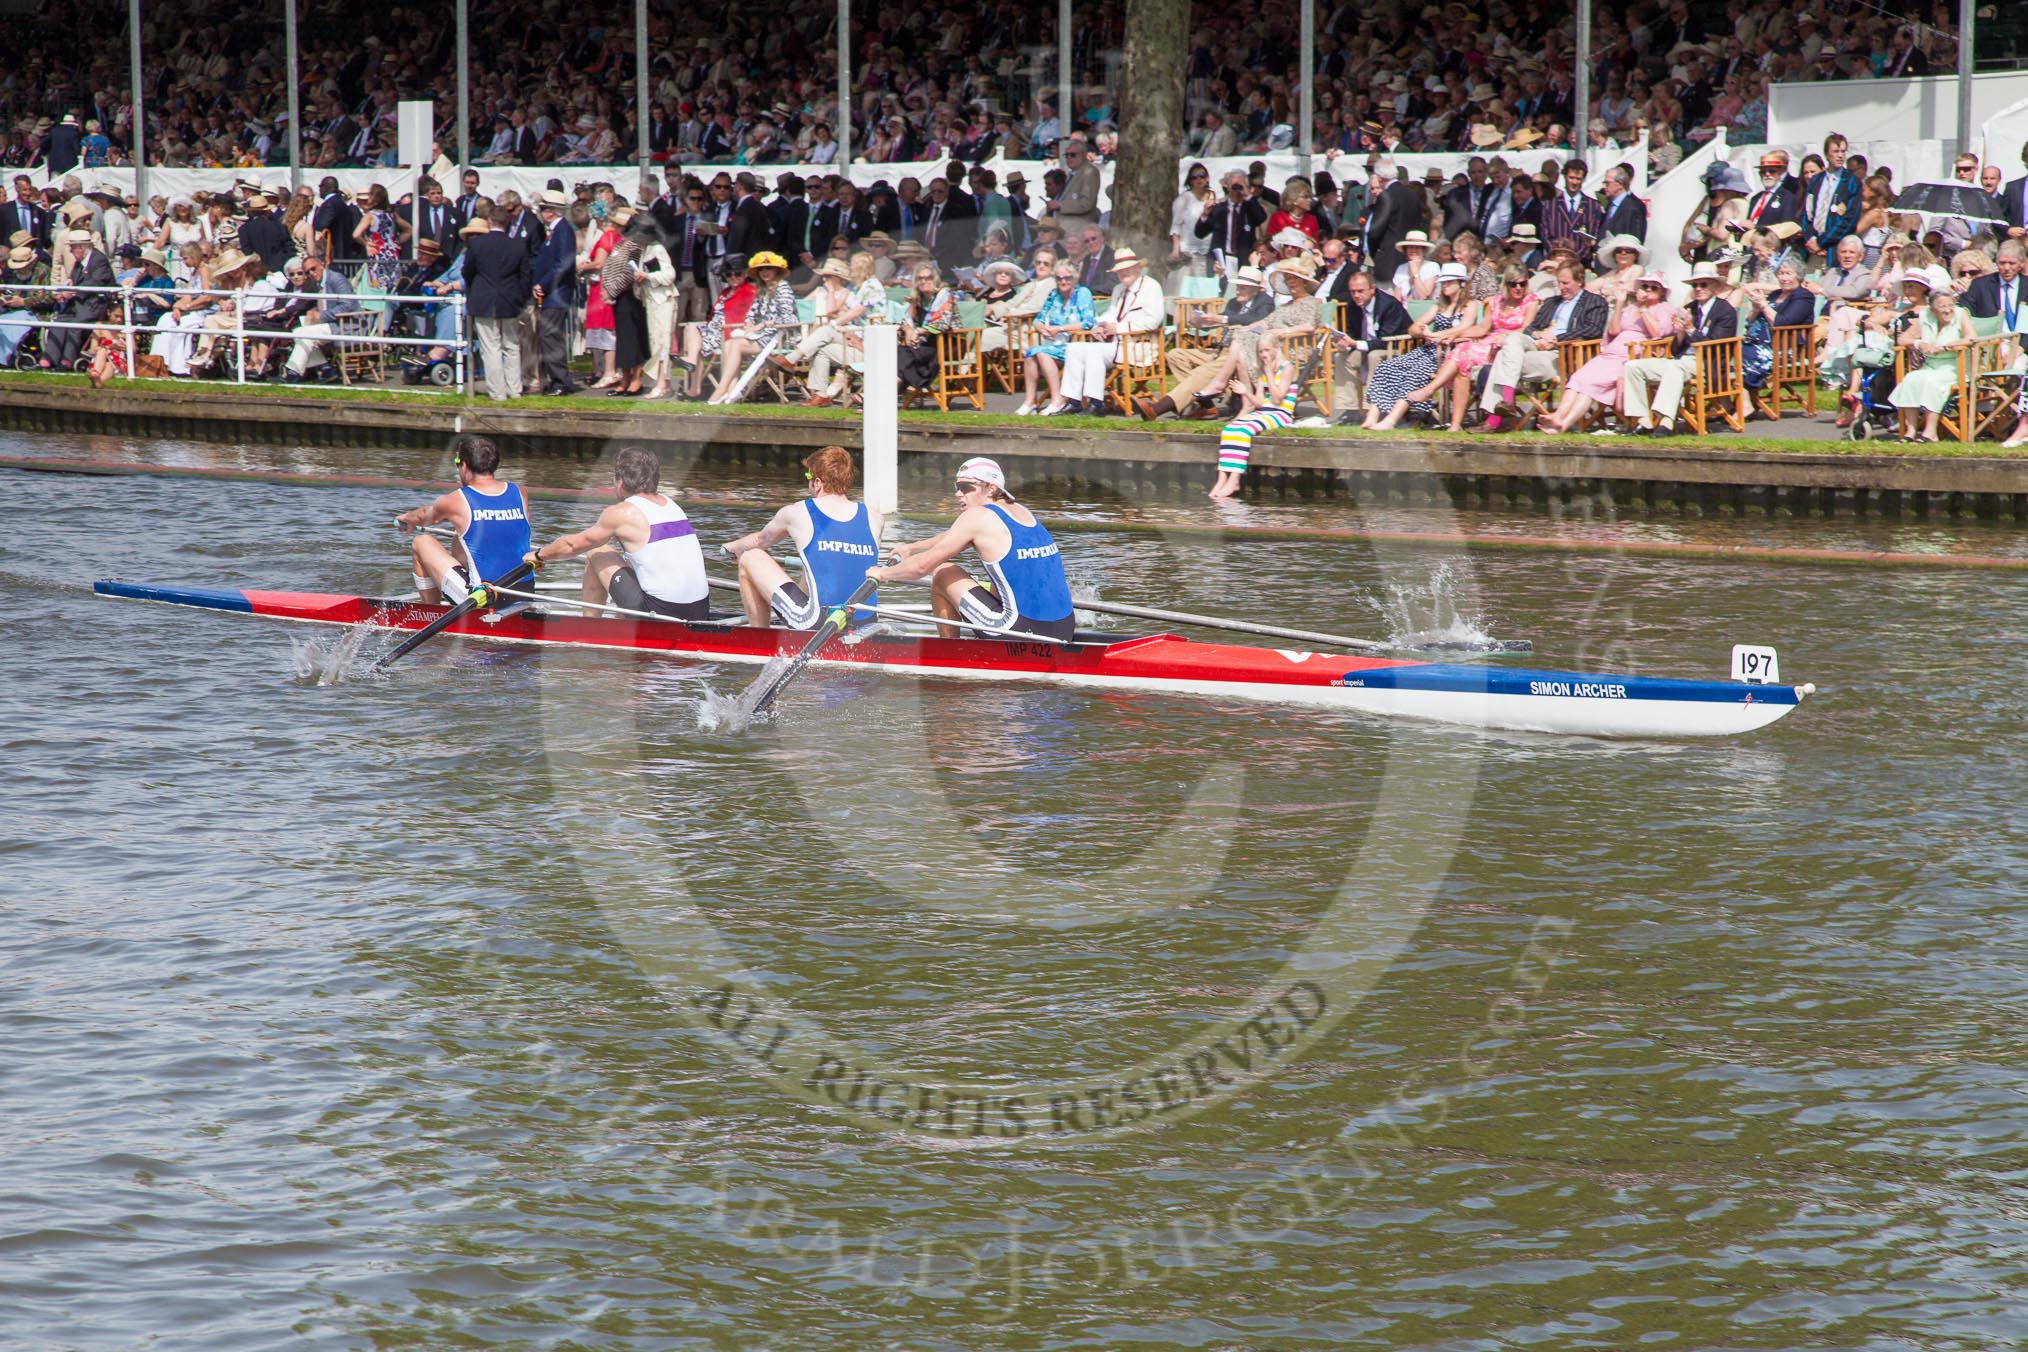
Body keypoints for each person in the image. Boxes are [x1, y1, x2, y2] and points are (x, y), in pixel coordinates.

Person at [868, 457, 1076, 643]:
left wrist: (882, 573)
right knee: (999, 581)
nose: (958, 493)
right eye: (957, 486)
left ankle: (948, 653)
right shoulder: (1021, 511)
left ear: (991, 488)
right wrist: (911, 548)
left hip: (1020, 631)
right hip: (1065, 628)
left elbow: (922, 567)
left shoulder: (977, 516)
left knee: (944, 572)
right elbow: (954, 535)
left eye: (967, 487)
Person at [527, 445, 710, 620]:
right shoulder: (671, 504)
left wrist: (539, 555)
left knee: (596, 551)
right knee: (631, 561)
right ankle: (621, 619)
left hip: (661, 612)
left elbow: (572, 545)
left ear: (620, 482)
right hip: (700, 609)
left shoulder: (622, 512)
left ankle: (590, 626)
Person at [722, 445, 886, 628]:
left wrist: (733, 548)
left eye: (808, 477)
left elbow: (760, 541)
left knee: (750, 556)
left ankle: (759, 639)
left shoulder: (797, 512)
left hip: (819, 623)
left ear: (817, 482)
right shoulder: (875, 518)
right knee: (812, 565)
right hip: (866, 622)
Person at [396, 435, 533, 605]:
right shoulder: (519, 492)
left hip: (482, 599)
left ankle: (430, 611)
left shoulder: (456, 500)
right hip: (525, 593)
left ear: (465, 465)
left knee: (421, 542)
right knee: (462, 535)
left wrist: (407, 518)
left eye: (457, 462)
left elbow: (422, 517)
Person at [1538, 272, 1679, 434]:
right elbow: (1613, 330)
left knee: (1590, 385)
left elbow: (1657, 334)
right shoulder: (1631, 308)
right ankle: (1558, 416)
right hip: (1610, 354)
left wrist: (1644, 309)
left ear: (1662, 292)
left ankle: (1564, 424)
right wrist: (1620, 303)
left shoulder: (1664, 309)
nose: (1647, 290)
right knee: (1578, 378)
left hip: (1634, 357)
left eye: (1653, 287)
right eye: (1644, 286)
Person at [1621, 263, 1740, 437]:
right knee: (1633, 367)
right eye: (1695, 285)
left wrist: (1691, 329)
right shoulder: (1690, 308)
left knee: (1675, 368)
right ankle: (1644, 420)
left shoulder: (1725, 311)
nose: (1698, 289)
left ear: (1715, 286)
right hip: (1682, 361)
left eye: (1703, 284)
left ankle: (1666, 422)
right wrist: (1679, 334)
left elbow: (1715, 347)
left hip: (1708, 362)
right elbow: (1676, 350)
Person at [1890, 280, 1976, 443]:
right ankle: (1911, 431)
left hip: (1955, 366)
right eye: (1942, 307)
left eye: (1950, 305)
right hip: (1931, 365)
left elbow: (1971, 338)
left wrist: (1945, 347)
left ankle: (1930, 432)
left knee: (1932, 382)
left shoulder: (1960, 314)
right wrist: (1919, 343)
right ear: (1932, 309)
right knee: (1911, 380)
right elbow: (1902, 339)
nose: (1947, 310)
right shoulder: (1925, 316)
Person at [1210, 356, 1301, 501]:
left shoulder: (1287, 368)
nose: (1265, 355)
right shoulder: (1262, 372)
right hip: (1263, 412)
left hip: (1281, 413)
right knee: (1229, 429)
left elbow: (1277, 399)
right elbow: (1259, 404)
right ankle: (1222, 479)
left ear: (1275, 350)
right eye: (1261, 351)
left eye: (1267, 351)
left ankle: (1234, 479)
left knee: (1244, 431)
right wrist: (1245, 392)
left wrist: (1269, 374)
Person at [462, 212, 531, 401]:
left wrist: (474, 290)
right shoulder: (518, 245)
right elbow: (525, 276)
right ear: (507, 223)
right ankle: (514, 390)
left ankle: (497, 393)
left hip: (484, 299)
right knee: (511, 346)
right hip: (510, 300)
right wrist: (522, 298)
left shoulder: (476, 244)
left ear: (490, 221)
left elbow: (467, 271)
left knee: (490, 348)